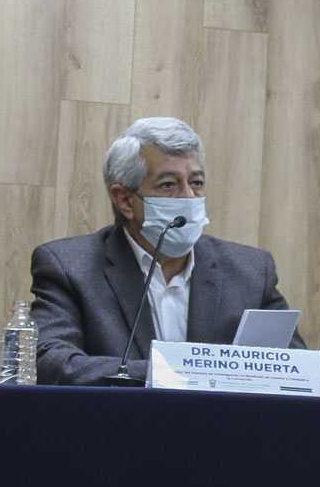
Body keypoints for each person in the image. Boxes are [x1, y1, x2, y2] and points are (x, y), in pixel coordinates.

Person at [29, 116, 304, 386]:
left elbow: (300, 373)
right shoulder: (70, 267)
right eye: (168, 185)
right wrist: (175, 372)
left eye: (196, 183)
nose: (188, 198)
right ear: (125, 200)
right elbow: (52, 362)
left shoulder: (251, 272)